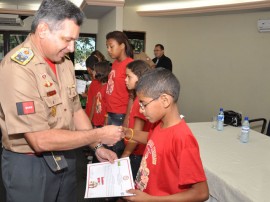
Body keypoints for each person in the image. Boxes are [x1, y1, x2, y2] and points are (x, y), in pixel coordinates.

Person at [0, 1, 123, 202]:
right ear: (43, 30)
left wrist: (97, 146)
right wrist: (98, 133)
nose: (72, 47)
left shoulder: (64, 63)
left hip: (65, 156)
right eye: (67, 39)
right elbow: (39, 140)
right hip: (30, 165)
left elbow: (76, 111)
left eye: (74, 40)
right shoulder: (18, 67)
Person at [123, 68, 209, 201]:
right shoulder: (159, 124)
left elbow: (201, 193)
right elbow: (152, 140)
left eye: (144, 104)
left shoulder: (183, 138)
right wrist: (127, 132)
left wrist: (150, 200)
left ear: (164, 100)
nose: (140, 110)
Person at [121, 60, 152, 180]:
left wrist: (125, 154)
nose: (125, 80)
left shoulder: (141, 102)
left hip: (135, 154)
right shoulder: (138, 98)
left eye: (129, 77)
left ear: (140, 78)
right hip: (135, 152)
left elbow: (136, 134)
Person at [105, 31, 134, 158]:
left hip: (120, 114)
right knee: (108, 149)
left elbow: (132, 95)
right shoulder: (115, 63)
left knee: (115, 152)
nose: (108, 50)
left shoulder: (129, 64)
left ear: (122, 46)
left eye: (111, 46)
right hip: (111, 112)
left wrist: (127, 119)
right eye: (107, 47)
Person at [89, 61, 111, 128]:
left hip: (103, 124)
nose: (93, 72)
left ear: (100, 72)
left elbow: (109, 107)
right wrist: (90, 121)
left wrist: (105, 122)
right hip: (96, 122)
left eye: (95, 71)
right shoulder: (99, 87)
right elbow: (94, 104)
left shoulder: (107, 88)